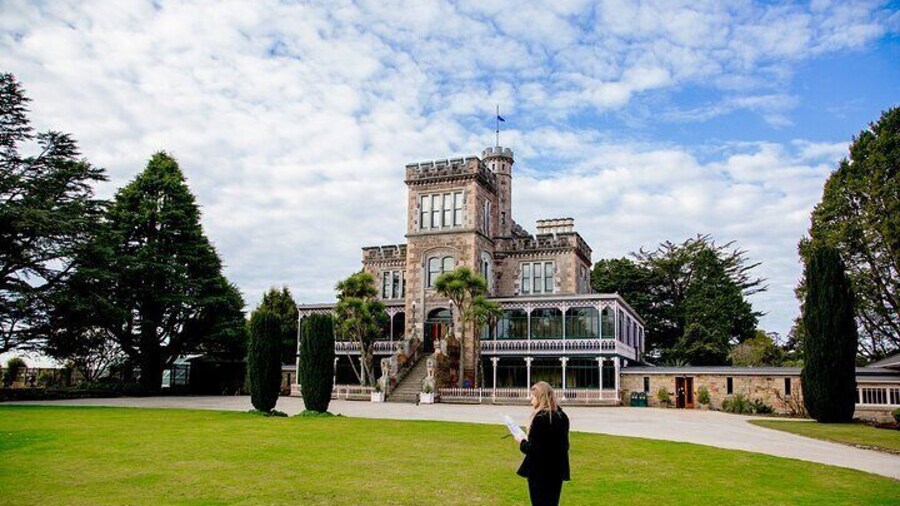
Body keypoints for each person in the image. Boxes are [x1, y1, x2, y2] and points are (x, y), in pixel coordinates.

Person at [514, 381, 570, 506]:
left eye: (533, 397)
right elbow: (564, 446)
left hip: (540, 471)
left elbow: (533, 449)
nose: (531, 401)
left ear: (540, 397)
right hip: (556, 470)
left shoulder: (540, 418)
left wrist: (522, 441)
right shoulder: (562, 417)